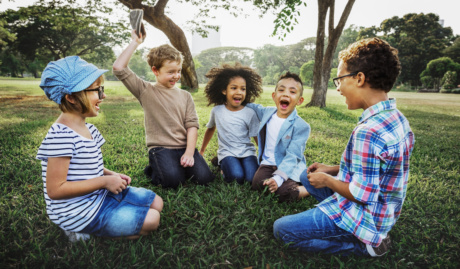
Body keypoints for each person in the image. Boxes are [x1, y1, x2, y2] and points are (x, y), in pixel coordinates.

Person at [273, 37, 415, 256]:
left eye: (339, 79)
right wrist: (331, 169)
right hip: (384, 211)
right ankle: (333, 215)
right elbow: (378, 168)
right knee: (305, 176)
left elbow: (362, 196)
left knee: (282, 230)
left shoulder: (368, 131)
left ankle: (365, 247)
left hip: (365, 217)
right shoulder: (396, 118)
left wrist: (327, 180)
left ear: (359, 78)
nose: (338, 88)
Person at [36, 56, 163, 241]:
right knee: (152, 220)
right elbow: (56, 189)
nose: (103, 96)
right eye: (97, 90)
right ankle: (84, 233)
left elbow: (86, 167)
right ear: (71, 97)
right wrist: (104, 182)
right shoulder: (61, 136)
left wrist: (111, 175)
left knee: (157, 203)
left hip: (99, 196)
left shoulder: (89, 129)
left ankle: (107, 221)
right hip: (79, 212)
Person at [112, 30, 214, 188]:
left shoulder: (186, 96)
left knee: (204, 179)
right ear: (155, 71)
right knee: (173, 182)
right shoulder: (145, 90)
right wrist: (135, 42)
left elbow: (192, 126)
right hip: (161, 148)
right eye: (171, 72)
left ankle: (176, 165)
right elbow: (119, 68)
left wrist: (189, 152)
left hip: (184, 147)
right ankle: (153, 169)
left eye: (178, 71)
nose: (176, 76)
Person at [246, 72, 310, 202]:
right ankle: (280, 183)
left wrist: (278, 178)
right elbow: (251, 106)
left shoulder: (302, 126)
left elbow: (293, 156)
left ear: (299, 101)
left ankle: (309, 188)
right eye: (281, 90)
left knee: (283, 192)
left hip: (289, 166)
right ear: (274, 96)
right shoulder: (267, 113)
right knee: (257, 185)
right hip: (267, 164)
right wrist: (235, 99)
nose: (286, 94)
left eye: (292, 92)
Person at [199, 63, 262, 184]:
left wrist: (265, 156)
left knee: (251, 179)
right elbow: (210, 129)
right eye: (234, 88)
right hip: (227, 152)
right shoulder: (217, 111)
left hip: (247, 152)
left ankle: (225, 164)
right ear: (224, 90)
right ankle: (222, 165)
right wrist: (202, 150)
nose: (239, 92)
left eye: (243, 89)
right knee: (236, 177)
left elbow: (256, 135)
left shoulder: (250, 113)